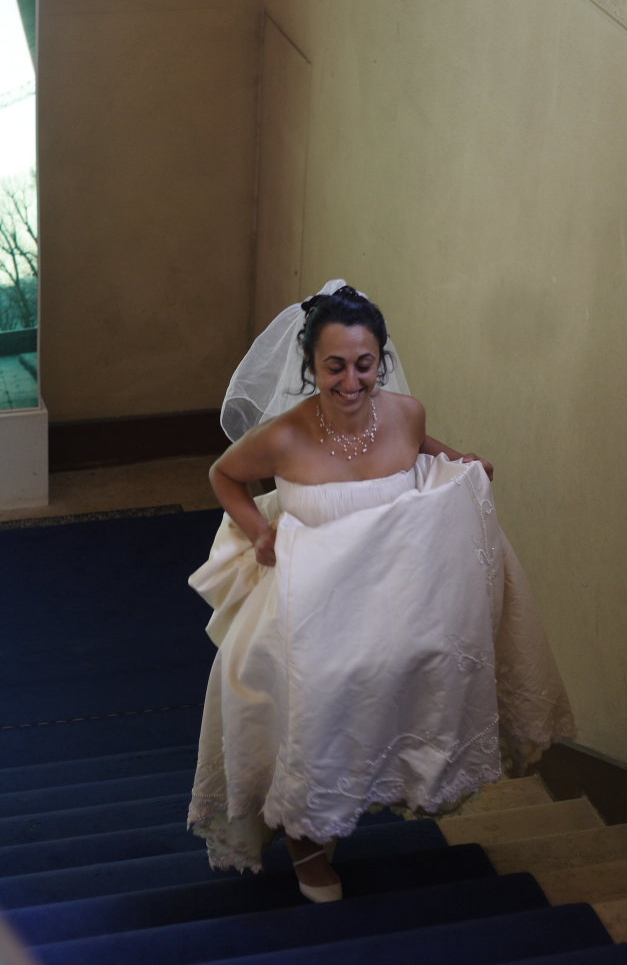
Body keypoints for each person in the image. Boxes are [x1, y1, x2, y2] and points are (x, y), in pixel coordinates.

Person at [187, 281, 575, 902]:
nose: (350, 381)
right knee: (316, 705)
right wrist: (260, 531)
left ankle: (381, 787)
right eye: (334, 366)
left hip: (392, 599)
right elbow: (224, 474)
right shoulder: (284, 436)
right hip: (311, 608)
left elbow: (421, 451)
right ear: (311, 365)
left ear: (381, 360)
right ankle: (309, 845)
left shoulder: (406, 412)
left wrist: (462, 462)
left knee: (409, 681)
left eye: (364, 364)